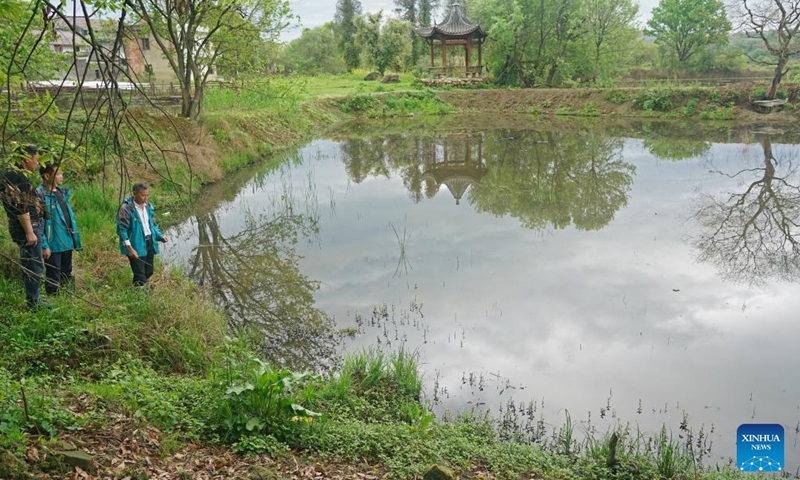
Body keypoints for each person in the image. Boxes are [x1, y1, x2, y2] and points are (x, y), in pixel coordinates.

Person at [1, 145, 47, 309]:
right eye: (36, 158)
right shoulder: (16, 176)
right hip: (26, 226)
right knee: (32, 264)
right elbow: (20, 207)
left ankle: (36, 298)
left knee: (34, 263)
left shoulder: (14, 174)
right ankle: (34, 302)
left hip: (29, 224)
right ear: (27, 158)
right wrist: (29, 231)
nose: (37, 162)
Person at [37, 163, 82, 295]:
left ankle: (67, 296)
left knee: (66, 271)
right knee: (53, 272)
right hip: (53, 242)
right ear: (46, 176)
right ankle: (53, 298)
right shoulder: (40, 195)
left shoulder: (62, 192)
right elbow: (39, 223)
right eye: (58, 174)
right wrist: (44, 244)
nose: (61, 176)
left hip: (66, 240)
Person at [116, 182, 168, 287]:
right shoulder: (126, 209)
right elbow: (122, 231)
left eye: (147, 195)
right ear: (134, 194)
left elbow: (152, 225)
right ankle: (140, 294)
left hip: (149, 242)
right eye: (143, 195)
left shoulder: (148, 206)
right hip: (135, 244)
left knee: (149, 270)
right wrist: (130, 249)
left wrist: (160, 236)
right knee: (140, 274)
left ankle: (142, 287)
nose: (145, 198)